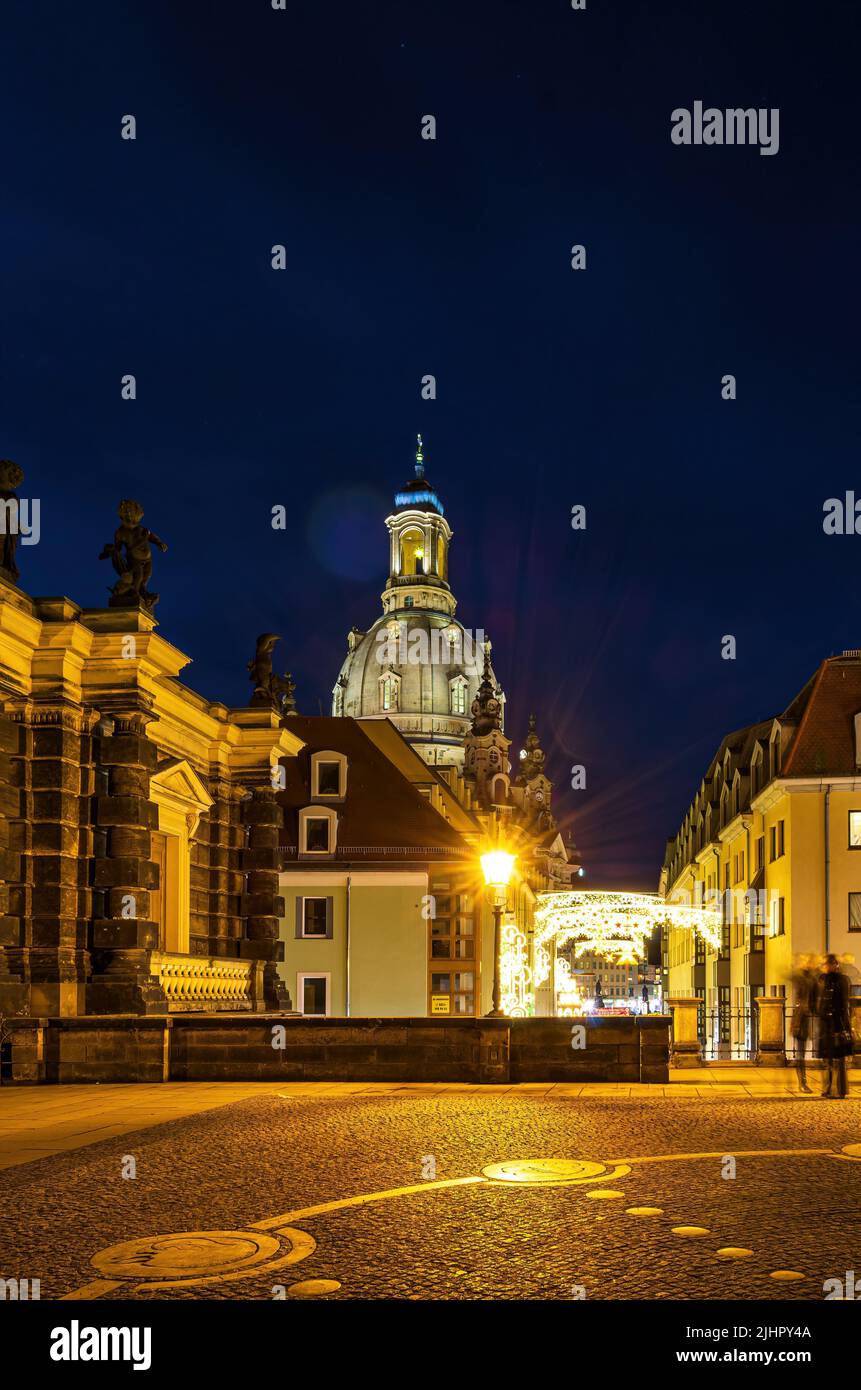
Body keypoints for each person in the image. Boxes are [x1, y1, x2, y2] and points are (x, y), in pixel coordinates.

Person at [817, 954, 851, 1099]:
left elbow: (843, 1003)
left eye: (828, 964)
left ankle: (838, 1089)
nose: (826, 967)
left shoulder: (842, 980)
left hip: (837, 1023)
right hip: (826, 1024)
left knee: (838, 1059)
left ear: (835, 964)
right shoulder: (824, 979)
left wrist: (841, 1024)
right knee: (828, 1058)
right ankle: (828, 1088)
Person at [790, 955, 819, 1093]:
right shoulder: (802, 978)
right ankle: (802, 1082)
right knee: (801, 1053)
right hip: (801, 1019)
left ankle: (803, 1082)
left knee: (803, 1052)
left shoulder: (812, 978)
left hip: (808, 1018)